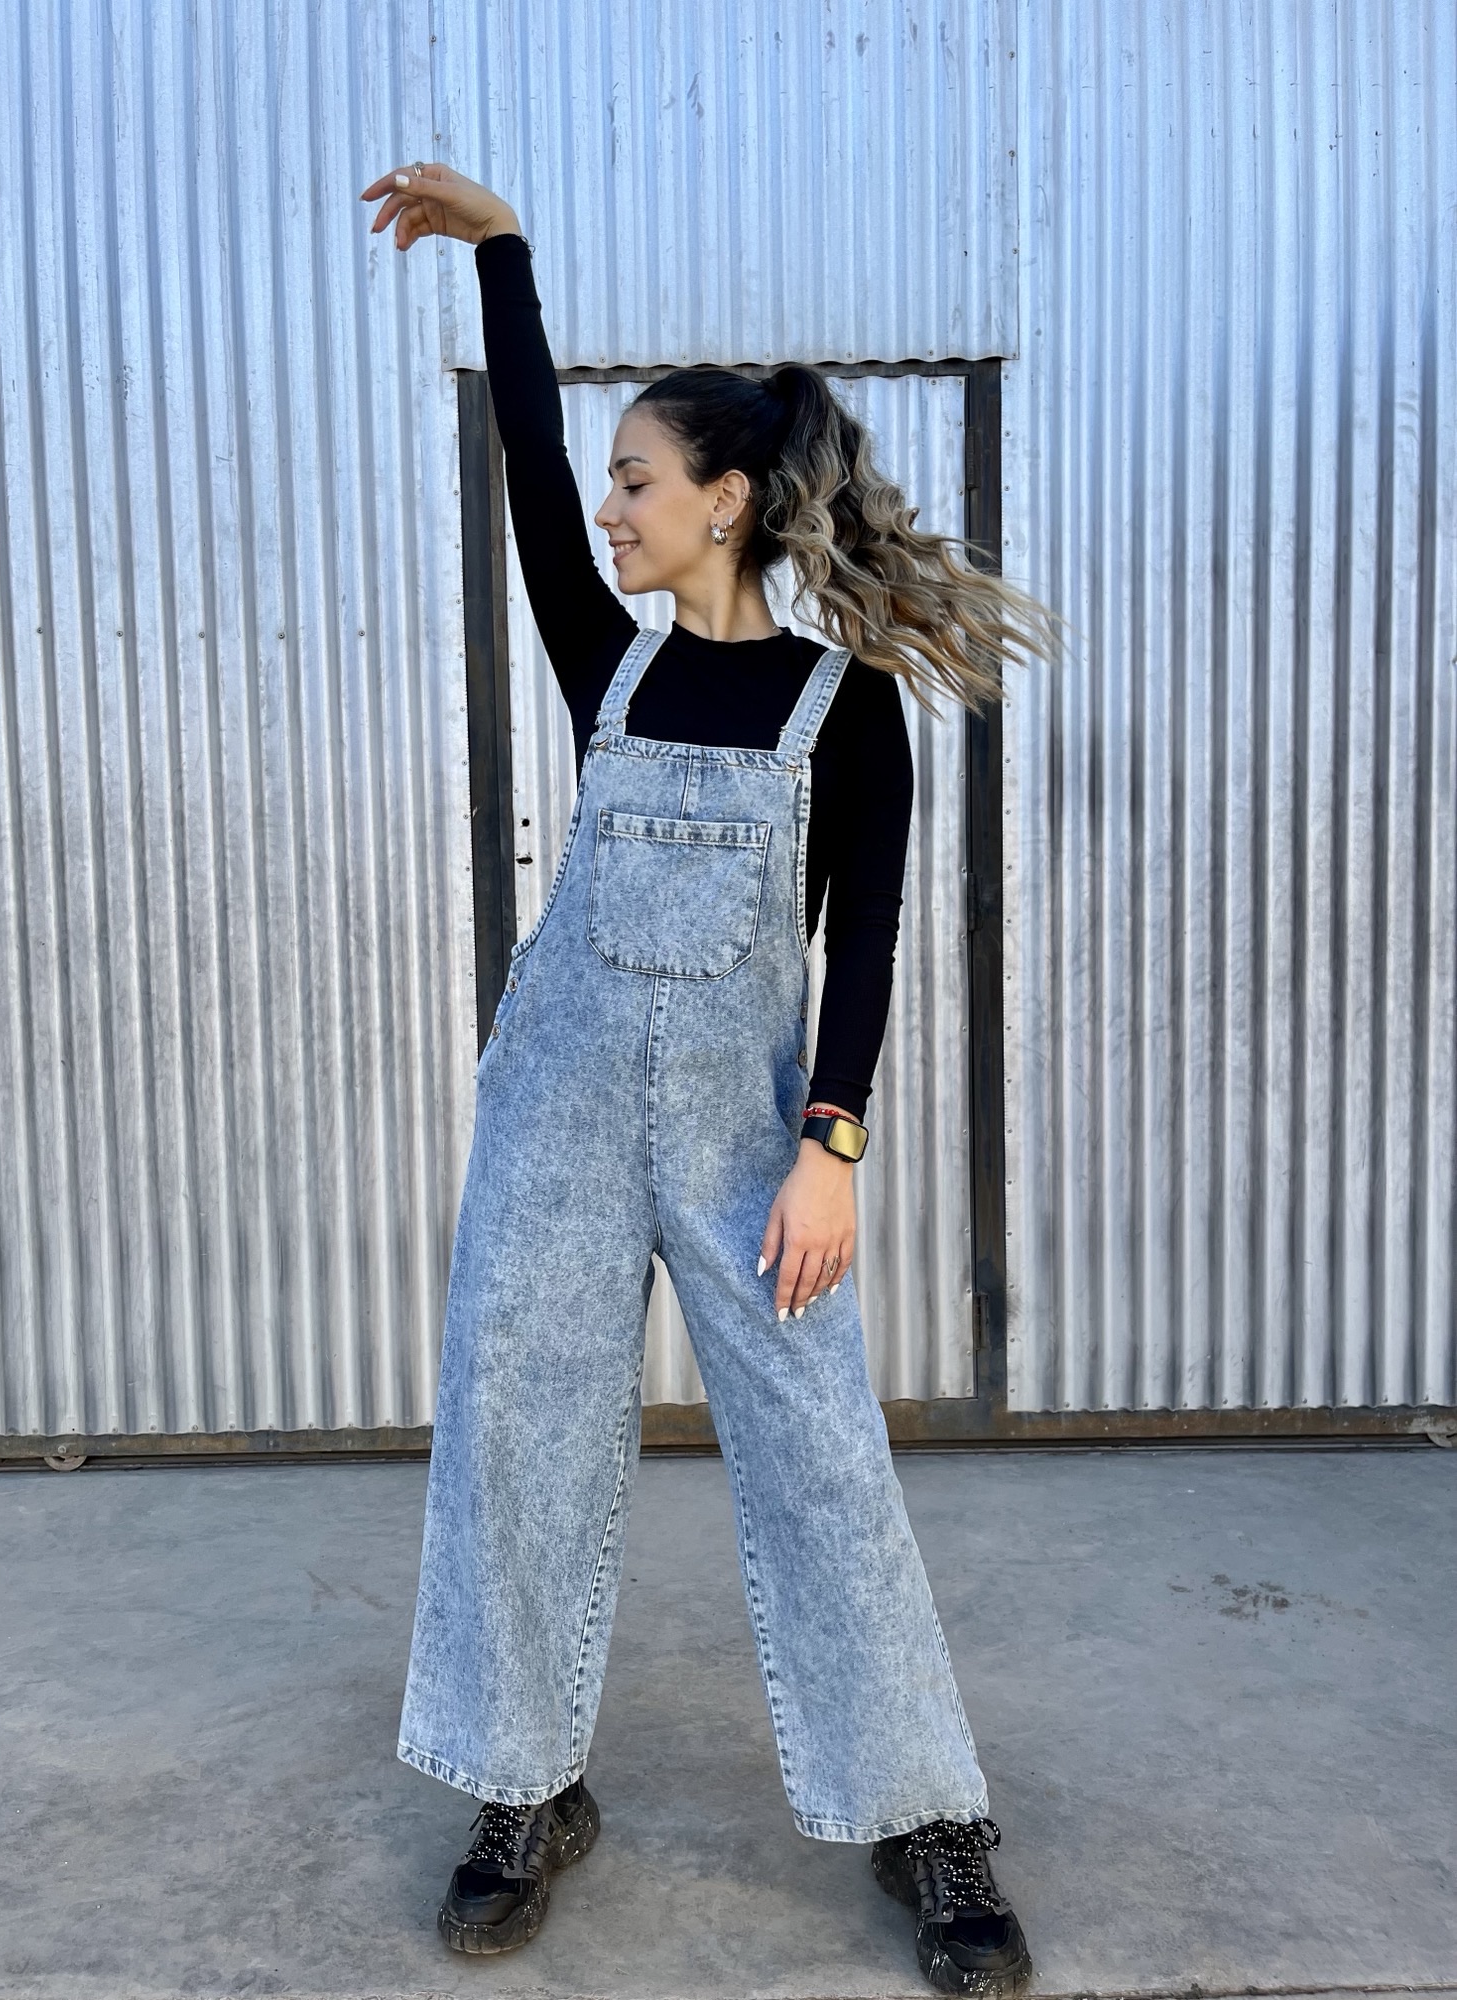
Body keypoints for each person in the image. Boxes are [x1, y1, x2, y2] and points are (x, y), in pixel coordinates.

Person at [362, 160, 1061, 1996]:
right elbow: (523, 459)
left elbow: (871, 941)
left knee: (823, 1458)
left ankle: (925, 1813)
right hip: (558, 1117)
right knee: (515, 1437)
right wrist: (507, 258)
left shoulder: (850, 709)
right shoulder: (607, 664)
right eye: (611, 486)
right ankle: (526, 1787)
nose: (608, 511)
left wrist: (832, 1146)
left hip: (752, 1135)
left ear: (726, 500)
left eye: (641, 482)